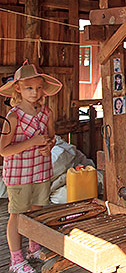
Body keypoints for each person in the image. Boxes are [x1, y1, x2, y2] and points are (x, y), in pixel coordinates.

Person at [0, 61, 61, 273]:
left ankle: (34, 249)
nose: (34, 93)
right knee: (17, 215)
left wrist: (48, 146)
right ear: (18, 88)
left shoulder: (46, 112)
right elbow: (4, 150)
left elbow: (51, 137)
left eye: (37, 88)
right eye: (28, 88)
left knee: (37, 212)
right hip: (19, 175)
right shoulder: (14, 116)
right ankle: (16, 260)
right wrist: (31, 143)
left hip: (41, 171)